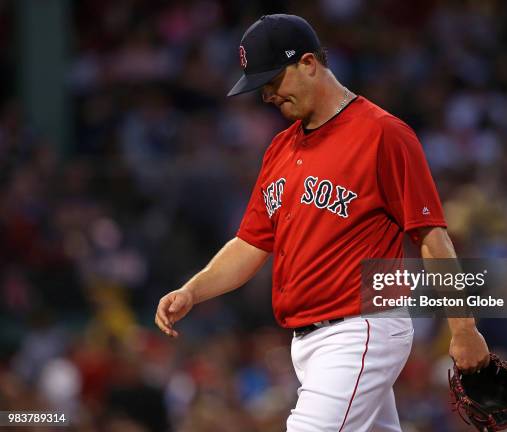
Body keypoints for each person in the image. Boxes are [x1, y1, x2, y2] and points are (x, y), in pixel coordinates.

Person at [155, 14, 490, 431]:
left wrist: (464, 329)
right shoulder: (279, 148)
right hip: (308, 344)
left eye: (273, 81)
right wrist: (193, 290)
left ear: (309, 63)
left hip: (361, 330)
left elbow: (431, 237)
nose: (267, 96)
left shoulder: (383, 134)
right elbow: (250, 244)